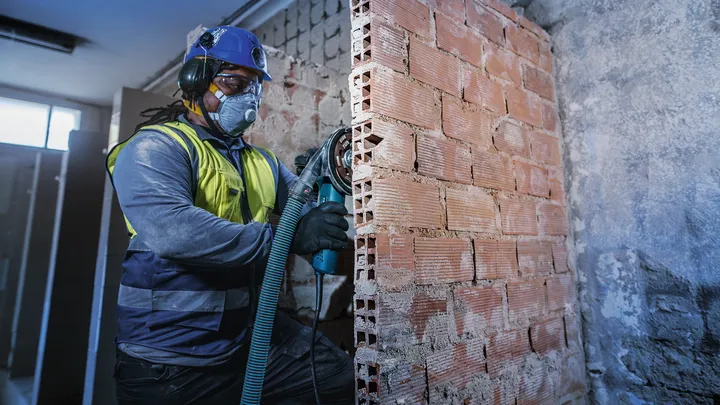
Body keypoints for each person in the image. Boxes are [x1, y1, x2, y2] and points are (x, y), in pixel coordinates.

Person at [106, 26, 354, 405]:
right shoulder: (156, 147)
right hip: (168, 360)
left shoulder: (263, 162)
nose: (249, 98)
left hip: (244, 338)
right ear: (195, 83)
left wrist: (321, 183)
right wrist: (288, 237)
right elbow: (173, 231)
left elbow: (306, 222)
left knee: (340, 377)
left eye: (254, 88)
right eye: (235, 84)